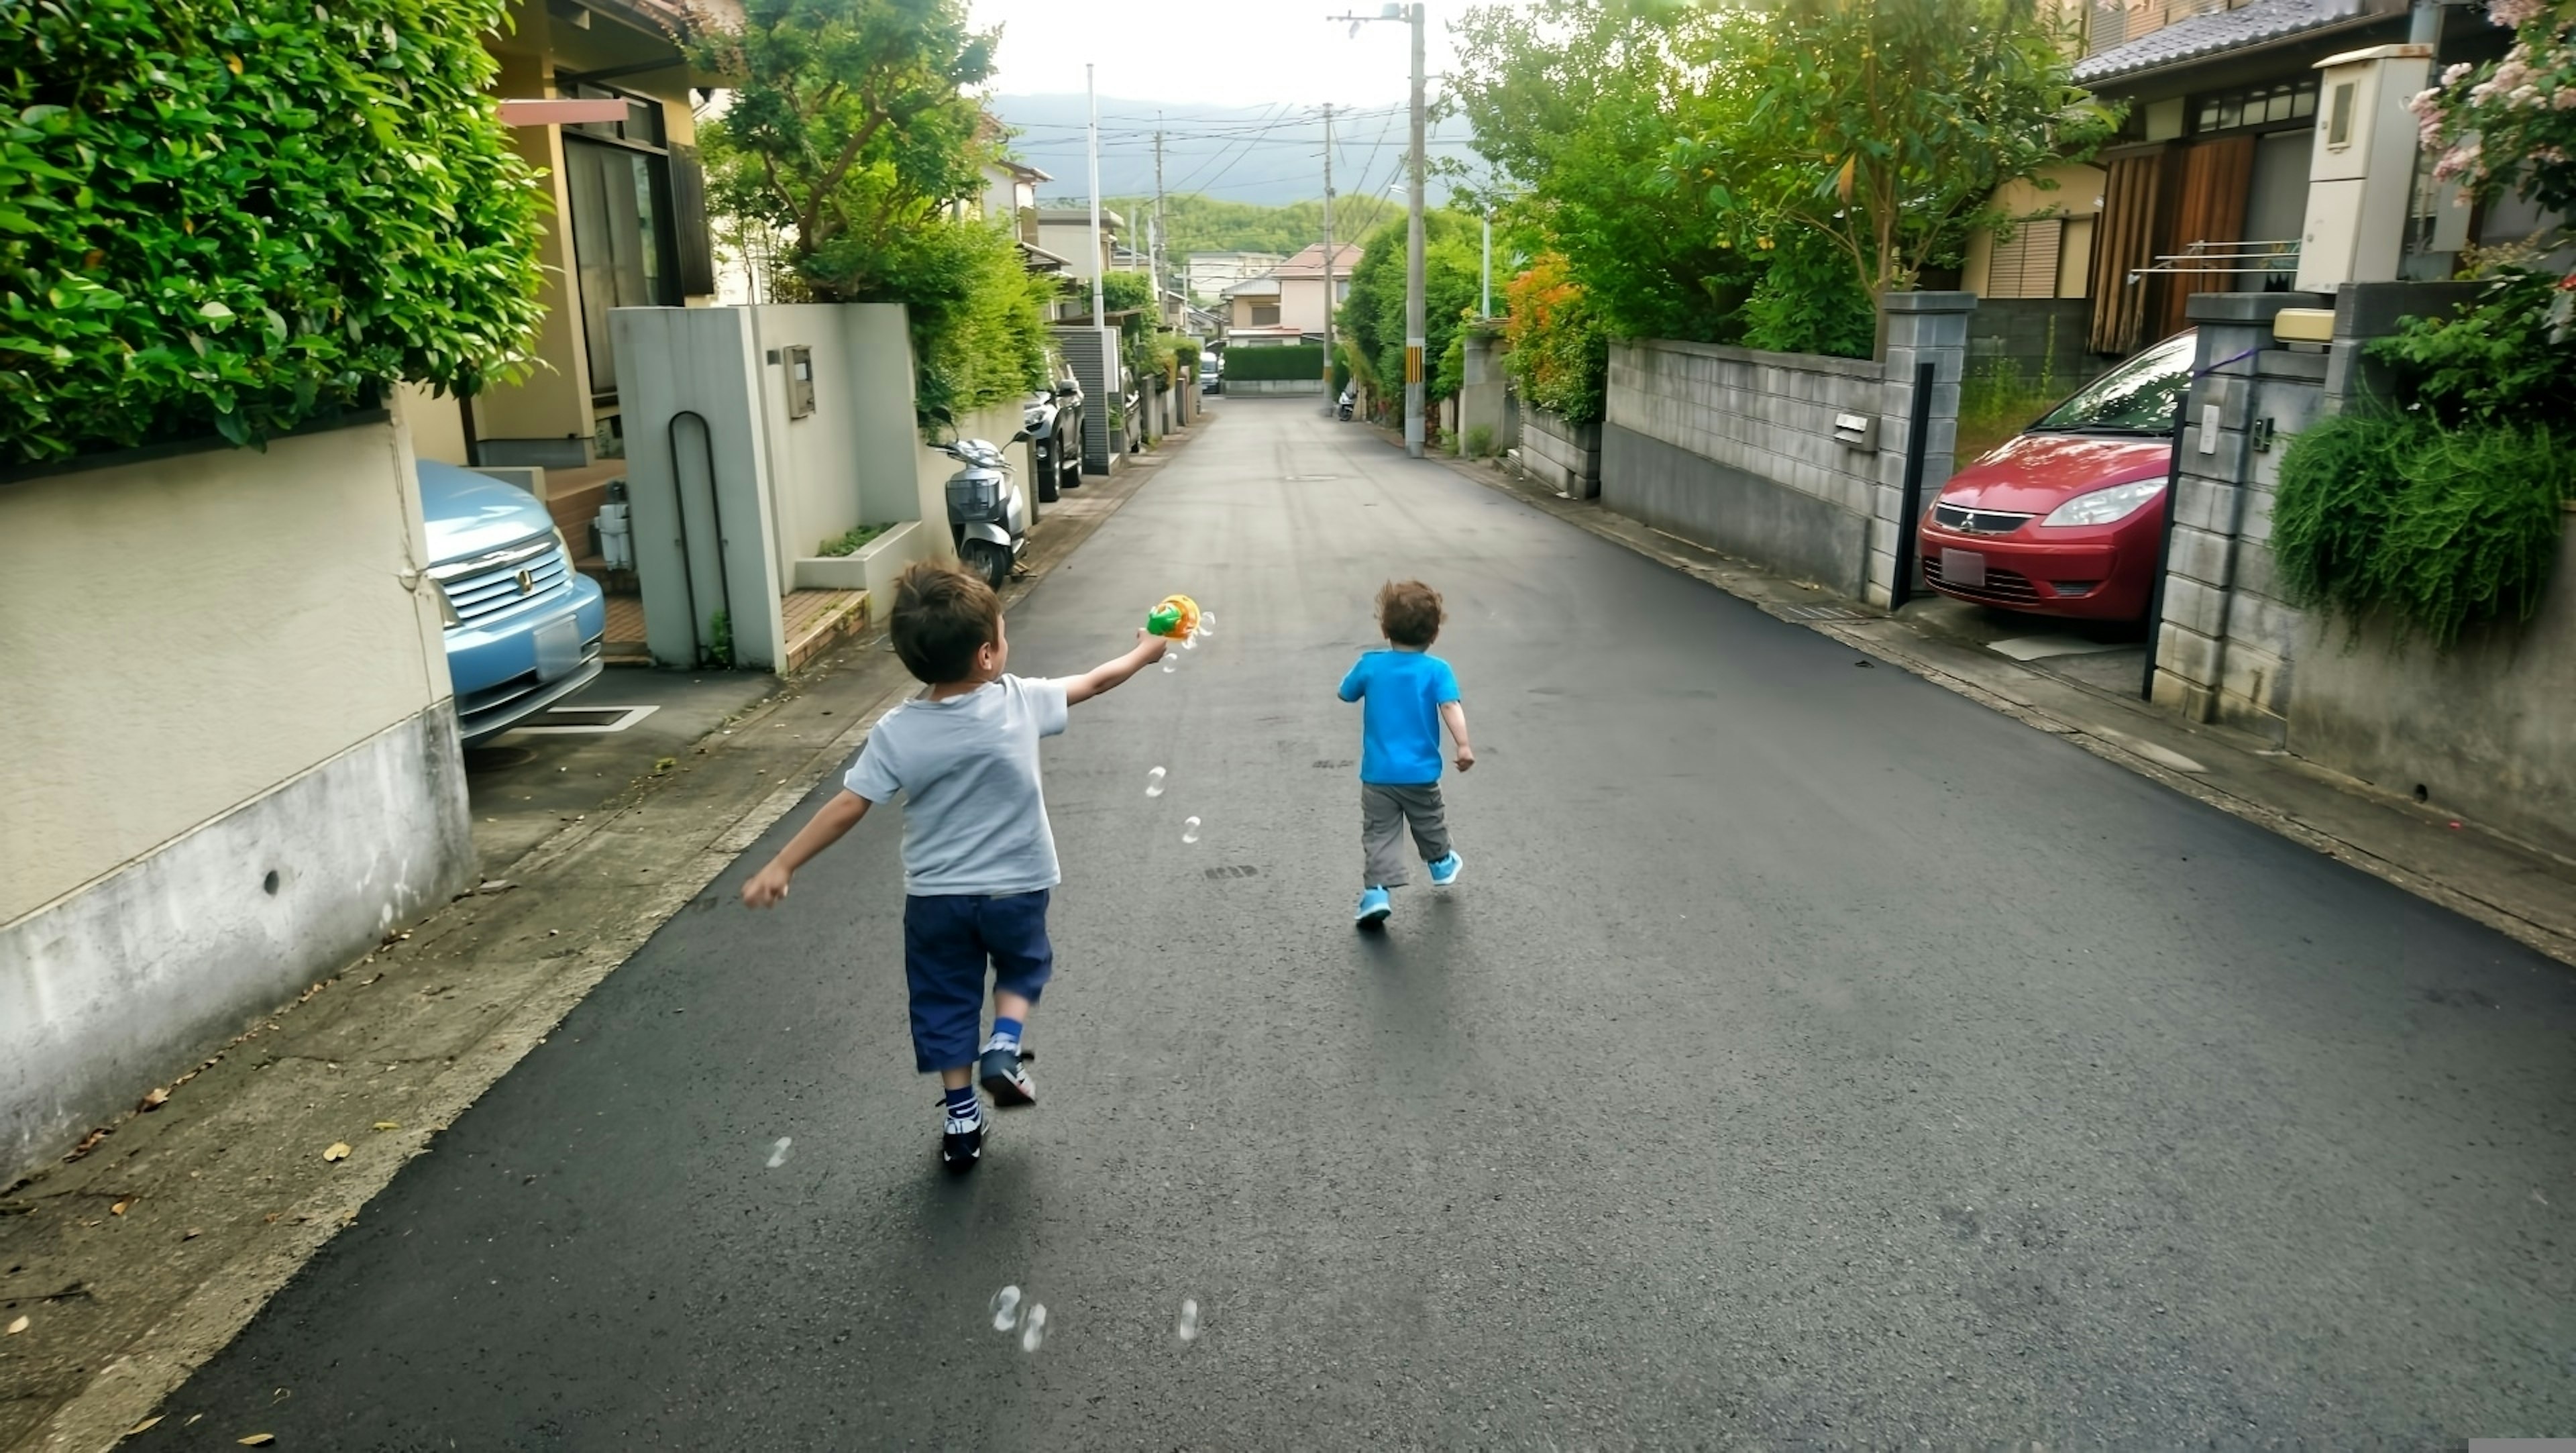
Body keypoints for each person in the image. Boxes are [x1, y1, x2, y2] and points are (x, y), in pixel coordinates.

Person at [741, 559, 1167, 1173]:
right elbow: (1097, 682)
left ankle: (961, 1118)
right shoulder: (1017, 701)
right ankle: (1004, 1043)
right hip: (1016, 886)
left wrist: (783, 863)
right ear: (989, 655)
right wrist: (1146, 652)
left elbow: (847, 804)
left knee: (944, 999)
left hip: (936, 899)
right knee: (1023, 965)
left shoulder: (895, 732)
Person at [1337, 579, 1474, 928]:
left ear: (1385, 628)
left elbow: (1345, 693)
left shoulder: (1370, 665)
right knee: (1428, 820)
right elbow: (1451, 707)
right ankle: (1441, 864)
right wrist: (1463, 744)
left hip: (1379, 774)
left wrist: (1370, 673)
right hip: (1420, 773)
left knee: (1380, 834)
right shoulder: (1437, 670)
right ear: (1434, 634)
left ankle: (1377, 894)